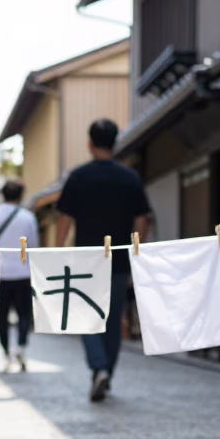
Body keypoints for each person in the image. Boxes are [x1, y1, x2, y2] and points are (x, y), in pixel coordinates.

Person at [56, 118, 152, 402]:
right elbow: (143, 218)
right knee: (112, 321)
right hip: (119, 258)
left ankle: (99, 368)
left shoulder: (78, 177)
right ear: (115, 143)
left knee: (86, 318)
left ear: (90, 143)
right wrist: (137, 247)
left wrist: (59, 250)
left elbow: (64, 219)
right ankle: (106, 370)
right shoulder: (129, 177)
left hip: (85, 258)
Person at [0, 180, 39, 371]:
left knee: (1, 317)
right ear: (21, 196)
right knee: (24, 314)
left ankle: (6, 353)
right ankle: (21, 346)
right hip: (23, 272)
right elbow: (34, 246)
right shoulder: (28, 217)